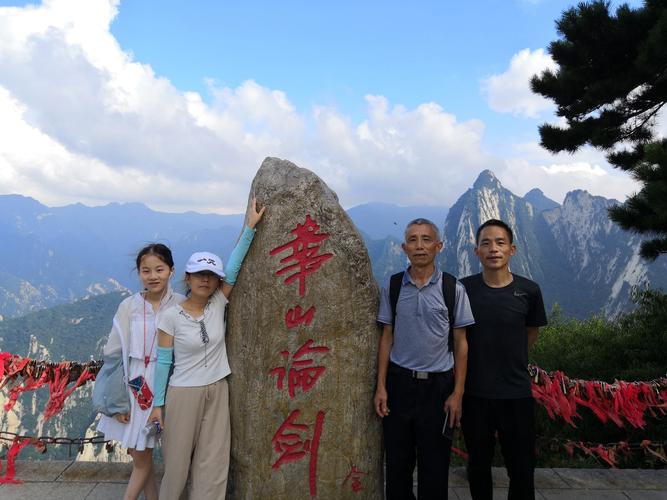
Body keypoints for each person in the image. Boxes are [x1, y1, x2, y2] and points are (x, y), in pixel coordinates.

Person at [149, 198, 265, 500]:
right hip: (183, 393)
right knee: (175, 467)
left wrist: (250, 227)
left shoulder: (218, 304)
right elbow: (163, 363)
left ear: (216, 281)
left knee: (212, 465)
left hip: (217, 389)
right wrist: (157, 405)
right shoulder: (171, 315)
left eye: (210, 275)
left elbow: (235, 265)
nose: (205, 279)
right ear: (187, 277)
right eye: (199, 273)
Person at [374, 218, 474, 500]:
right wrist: (381, 386)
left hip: (438, 389)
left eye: (426, 239)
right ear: (404, 248)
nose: (419, 246)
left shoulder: (453, 289)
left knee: (435, 467)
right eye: (413, 240)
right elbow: (386, 337)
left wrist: (458, 392)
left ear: (439, 246)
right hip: (399, 385)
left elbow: (461, 343)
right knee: (397, 466)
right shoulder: (393, 287)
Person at [460, 219, 547, 500]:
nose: (493, 249)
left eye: (499, 243)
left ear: (512, 249)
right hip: (475, 394)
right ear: (476, 252)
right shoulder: (464, 290)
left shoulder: (529, 291)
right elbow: (457, 338)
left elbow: (530, 332)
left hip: (516, 393)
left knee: (522, 468)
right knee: (478, 466)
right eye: (486, 243)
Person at [96, 243, 185, 500]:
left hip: (167, 380)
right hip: (134, 380)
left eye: (159, 269)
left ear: (171, 270)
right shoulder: (129, 306)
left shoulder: (180, 305)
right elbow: (113, 354)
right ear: (139, 273)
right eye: (146, 270)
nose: (153, 276)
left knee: (142, 455)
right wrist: (117, 400)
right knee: (140, 454)